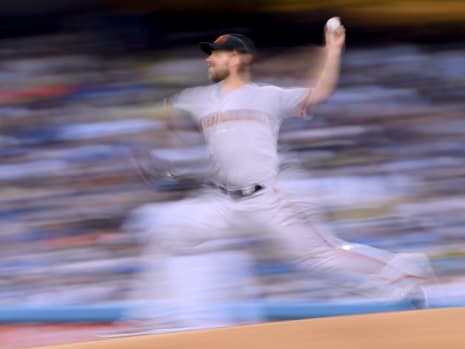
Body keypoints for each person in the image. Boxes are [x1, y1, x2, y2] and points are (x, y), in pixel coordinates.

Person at [123, 24, 434, 334]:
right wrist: (159, 140)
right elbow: (165, 110)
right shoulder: (199, 98)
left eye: (215, 55)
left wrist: (333, 50)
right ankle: (151, 319)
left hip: (269, 199)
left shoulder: (267, 96)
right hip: (223, 203)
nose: (208, 60)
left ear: (236, 58)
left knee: (320, 256)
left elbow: (318, 93)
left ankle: (402, 270)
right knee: (167, 235)